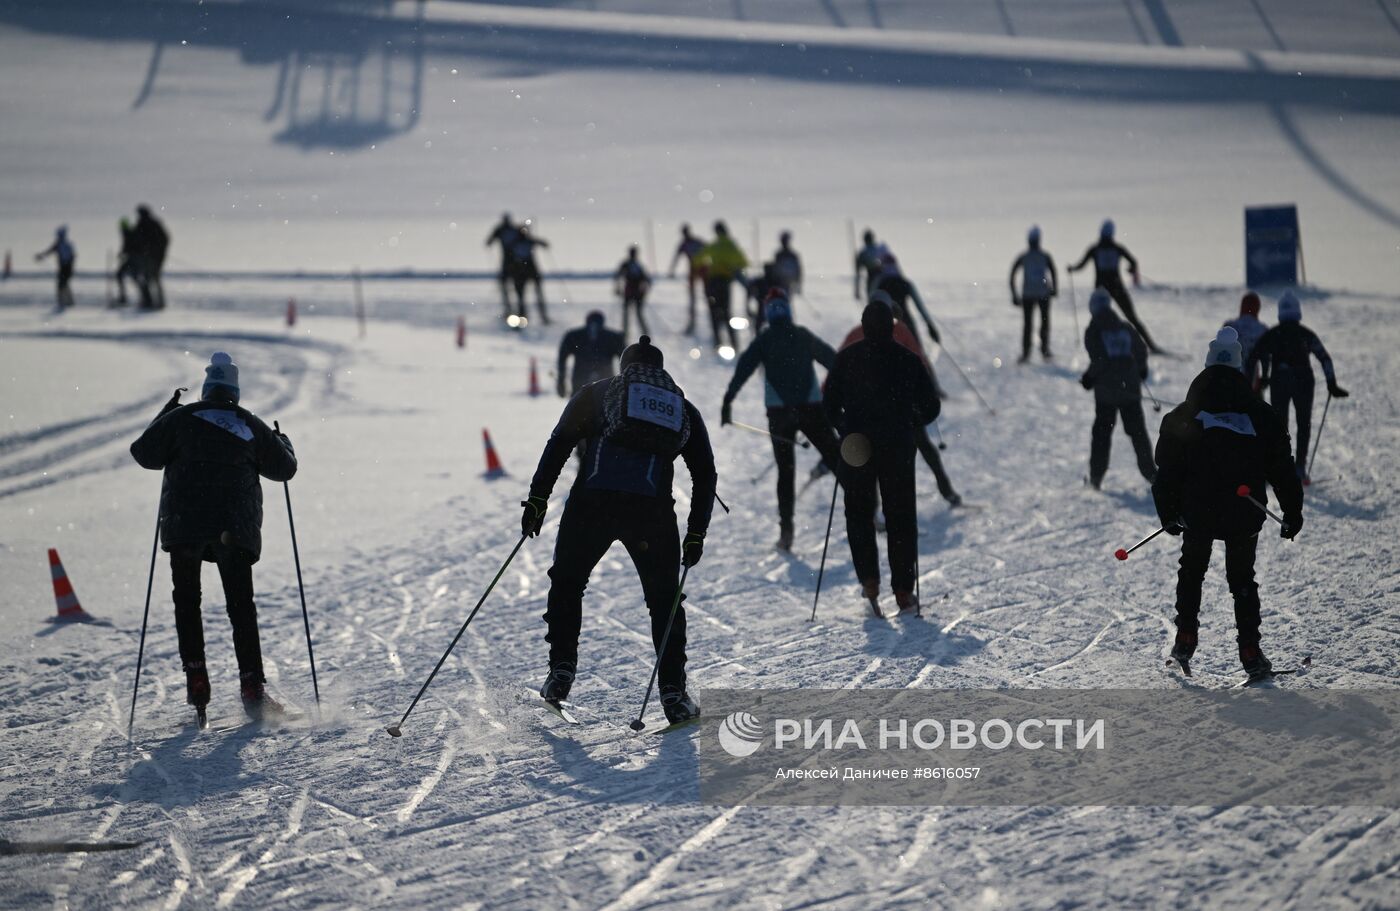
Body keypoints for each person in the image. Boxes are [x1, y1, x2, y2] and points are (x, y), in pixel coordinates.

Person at [524, 336, 716, 724]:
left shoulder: (598, 393)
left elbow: (559, 443)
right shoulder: (681, 407)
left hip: (592, 503)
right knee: (664, 601)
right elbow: (705, 474)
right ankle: (674, 694)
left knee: (567, 582)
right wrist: (696, 533)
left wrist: (537, 500)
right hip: (651, 512)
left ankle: (560, 671)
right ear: (660, 370)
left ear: (625, 366)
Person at [129, 353, 298, 720]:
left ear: (207, 389)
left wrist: (164, 414)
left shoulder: (181, 417)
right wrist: (283, 441)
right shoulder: (249, 424)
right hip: (233, 530)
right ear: (234, 392)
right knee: (241, 607)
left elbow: (145, 453)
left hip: (184, 526)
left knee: (187, 602)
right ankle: (252, 686)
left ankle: (196, 678)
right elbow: (284, 470)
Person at [1153, 327, 1305, 681]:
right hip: (1243, 509)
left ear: (1207, 366)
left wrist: (1169, 512)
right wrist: (1292, 510)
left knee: (1192, 571)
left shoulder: (1183, 415)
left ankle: (1185, 638)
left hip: (1197, 510)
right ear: (1239, 368)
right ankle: (1250, 650)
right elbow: (1281, 466)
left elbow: (1167, 470)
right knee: (1242, 580)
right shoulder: (1261, 415)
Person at [824, 301, 941, 617]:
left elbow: (828, 405)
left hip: (856, 445)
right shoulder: (908, 359)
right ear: (892, 326)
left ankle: (870, 581)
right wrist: (910, 421)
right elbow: (931, 407)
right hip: (897, 445)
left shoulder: (847, 358)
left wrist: (844, 427)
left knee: (859, 512)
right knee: (900, 516)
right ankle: (903, 590)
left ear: (863, 326)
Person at [721, 290, 844, 551]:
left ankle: (786, 530)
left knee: (785, 472)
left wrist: (728, 400)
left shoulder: (764, 339)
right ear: (788, 311)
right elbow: (834, 361)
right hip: (811, 409)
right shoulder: (802, 335)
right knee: (836, 459)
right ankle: (867, 511)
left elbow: (744, 366)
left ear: (768, 313)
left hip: (779, 415)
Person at [837, 290, 960, 507]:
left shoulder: (857, 333)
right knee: (922, 447)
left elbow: (838, 367)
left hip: (867, 411)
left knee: (868, 458)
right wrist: (929, 389)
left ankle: (874, 510)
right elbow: (919, 360)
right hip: (902, 407)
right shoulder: (900, 330)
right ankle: (946, 490)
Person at [1246, 291, 1348, 483]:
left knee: (1278, 426)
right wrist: (1331, 383)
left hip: (1280, 380)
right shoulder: (1306, 334)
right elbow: (1324, 358)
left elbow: (1253, 357)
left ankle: (1279, 468)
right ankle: (1299, 468)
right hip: (1303, 380)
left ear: (1280, 313)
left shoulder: (1273, 334)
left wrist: (1253, 383)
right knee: (1303, 423)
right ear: (1298, 312)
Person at [1080, 289, 1156, 489]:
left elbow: (1099, 360)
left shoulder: (1093, 330)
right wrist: (1141, 369)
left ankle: (1096, 478)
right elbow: (1140, 350)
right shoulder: (1125, 327)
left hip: (1106, 394)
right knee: (1138, 433)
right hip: (1130, 390)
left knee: (1102, 435)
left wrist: (1089, 377)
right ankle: (1152, 475)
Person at [1068, 219, 1162, 354]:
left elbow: (1081, 265)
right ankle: (1150, 345)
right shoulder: (1117, 248)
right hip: (1117, 287)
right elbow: (1133, 262)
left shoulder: (1095, 249)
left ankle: (1099, 349)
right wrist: (1131, 269)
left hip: (1101, 291)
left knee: (1098, 320)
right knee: (1132, 317)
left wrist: (1072, 269)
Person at [869, 252, 941, 353]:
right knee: (917, 356)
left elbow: (871, 305)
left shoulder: (879, 283)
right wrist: (930, 325)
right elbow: (920, 307)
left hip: (884, 327)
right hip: (907, 324)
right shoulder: (905, 283)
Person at [695, 221, 748, 353]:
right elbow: (744, 262)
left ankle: (717, 342)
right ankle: (734, 343)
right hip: (725, 282)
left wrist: (707, 267)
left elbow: (697, 260)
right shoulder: (731, 245)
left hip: (712, 282)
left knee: (714, 312)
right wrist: (731, 267)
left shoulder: (714, 245)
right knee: (726, 312)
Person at [1008, 225, 1058, 363]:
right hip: (1040, 293)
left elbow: (1012, 275)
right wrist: (1054, 289)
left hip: (1030, 294)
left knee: (1030, 324)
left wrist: (1014, 294)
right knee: (1041, 322)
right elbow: (1053, 272)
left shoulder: (1025, 257)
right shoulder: (1043, 256)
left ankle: (1030, 352)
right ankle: (1041, 350)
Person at [557, 310, 626, 398]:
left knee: (580, 408)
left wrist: (561, 381)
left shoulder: (574, 336)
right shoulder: (613, 337)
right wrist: (624, 386)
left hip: (582, 382)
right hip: (604, 382)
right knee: (602, 407)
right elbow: (626, 360)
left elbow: (562, 359)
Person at [506, 224, 551, 325]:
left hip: (528, 271)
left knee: (533, 295)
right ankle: (523, 316)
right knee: (521, 297)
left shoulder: (524, 242)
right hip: (522, 272)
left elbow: (543, 243)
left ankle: (541, 316)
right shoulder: (517, 243)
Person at [1224, 292, 1268, 392]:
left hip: (1229, 380)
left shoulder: (1229, 326)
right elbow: (1265, 358)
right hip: (1252, 381)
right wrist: (1265, 378)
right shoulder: (1262, 330)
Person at [667, 223, 707, 335]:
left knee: (705, 295)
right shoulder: (685, 244)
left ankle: (708, 320)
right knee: (692, 297)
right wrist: (672, 271)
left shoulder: (695, 242)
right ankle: (692, 323)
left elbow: (709, 251)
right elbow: (676, 258)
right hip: (694, 270)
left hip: (702, 269)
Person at [131, 204, 169, 309]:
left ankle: (155, 302)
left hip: (154, 258)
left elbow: (164, 240)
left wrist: (157, 251)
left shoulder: (152, 224)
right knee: (147, 278)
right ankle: (149, 300)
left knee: (152, 278)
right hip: (145, 257)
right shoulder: (142, 224)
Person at [485, 212, 521, 320]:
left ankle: (511, 310)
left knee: (508, 287)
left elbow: (489, 242)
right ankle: (513, 309)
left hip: (510, 263)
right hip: (513, 263)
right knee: (513, 288)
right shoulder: (511, 230)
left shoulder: (502, 230)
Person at [614, 245, 652, 338]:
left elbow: (646, 279)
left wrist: (645, 289)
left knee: (636, 313)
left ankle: (643, 332)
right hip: (631, 292)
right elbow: (618, 276)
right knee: (630, 313)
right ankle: (627, 333)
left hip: (635, 292)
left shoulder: (636, 265)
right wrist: (617, 288)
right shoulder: (633, 265)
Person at [35, 226, 76, 310]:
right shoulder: (68, 245)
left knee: (61, 284)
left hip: (64, 268)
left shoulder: (61, 245)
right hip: (68, 268)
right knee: (64, 284)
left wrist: (41, 256)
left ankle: (63, 301)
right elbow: (73, 256)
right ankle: (69, 301)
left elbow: (49, 251)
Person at [853, 229, 884, 300]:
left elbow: (858, 273)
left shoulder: (863, 253)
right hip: (885, 278)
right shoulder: (880, 249)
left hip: (873, 279)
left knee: (872, 301)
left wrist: (857, 290)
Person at [114, 217, 138, 307]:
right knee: (131, 277)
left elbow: (128, 246)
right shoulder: (129, 233)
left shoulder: (128, 234)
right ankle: (123, 296)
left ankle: (123, 297)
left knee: (121, 275)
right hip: (131, 259)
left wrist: (123, 253)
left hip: (132, 260)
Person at [772, 230, 803, 296]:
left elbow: (798, 270)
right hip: (781, 282)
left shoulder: (791, 255)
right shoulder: (779, 254)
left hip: (787, 282)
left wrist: (798, 283)